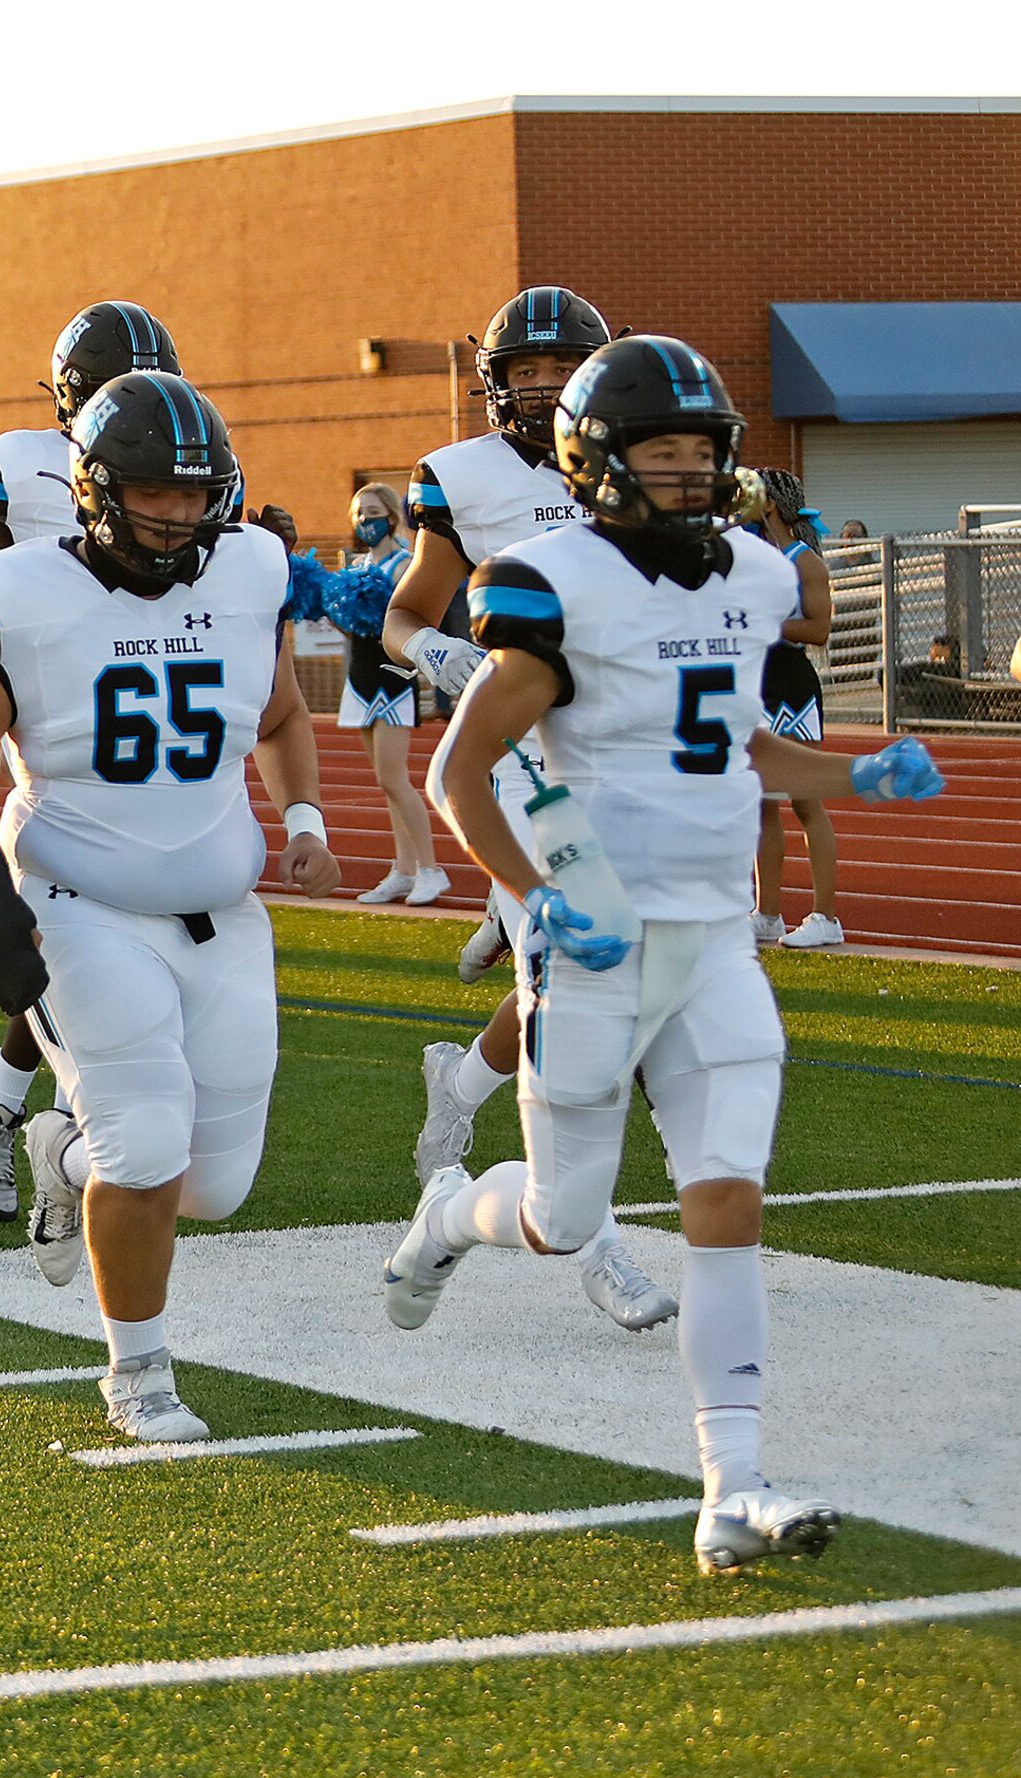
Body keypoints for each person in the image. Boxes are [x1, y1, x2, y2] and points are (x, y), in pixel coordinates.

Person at [382, 335, 948, 1572]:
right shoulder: (547, 582)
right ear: (600, 464)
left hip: (712, 941)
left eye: (702, 453)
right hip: (593, 938)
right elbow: (459, 769)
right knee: (556, 1214)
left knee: (727, 1207)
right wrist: (533, 901)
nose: (690, 476)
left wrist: (857, 770)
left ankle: (729, 1485)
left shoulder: (745, 574)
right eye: (662, 453)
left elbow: (743, 749)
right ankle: (442, 1216)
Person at [0, 369, 340, 1443]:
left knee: (214, 1188)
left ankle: (63, 1155)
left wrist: (301, 823)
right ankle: (137, 1376)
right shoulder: (16, 590)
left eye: (197, 493)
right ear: (97, 489)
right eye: (155, 491)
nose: (179, 514)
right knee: (147, 1142)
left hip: (222, 911)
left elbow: (286, 714)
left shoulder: (249, 570)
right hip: (81, 902)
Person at [380, 288, 669, 1331]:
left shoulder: (640, 454)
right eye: (526, 373)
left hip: (625, 756)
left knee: (607, 988)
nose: (543, 389)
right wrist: (439, 650)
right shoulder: (461, 477)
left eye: (563, 371)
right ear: (493, 384)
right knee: (599, 981)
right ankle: (593, 1240)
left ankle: (459, 1091)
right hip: (523, 759)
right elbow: (403, 614)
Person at [0, 301, 185, 1230]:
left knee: (116, 914)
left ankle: (1, 1108)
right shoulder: (16, 460)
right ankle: (65, 1128)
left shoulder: (173, 457)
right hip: (52, 694)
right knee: (80, 899)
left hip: (144, 683)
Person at [331, 482, 447, 905]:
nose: (365, 521)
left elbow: (407, 622)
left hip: (393, 679)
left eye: (374, 512)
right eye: (359, 514)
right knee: (384, 781)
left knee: (394, 778)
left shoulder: (403, 564)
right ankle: (402, 869)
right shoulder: (357, 565)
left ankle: (432, 869)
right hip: (360, 678)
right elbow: (352, 624)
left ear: (392, 516)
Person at [747, 469, 842, 947]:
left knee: (804, 799)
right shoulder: (751, 553)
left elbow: (819, 629)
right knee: (760, 801)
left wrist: (762, 624)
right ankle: (767, 913)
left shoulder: (805, 562)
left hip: (791, 687)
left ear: (769, 505)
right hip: (755, 683)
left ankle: (825, 917)